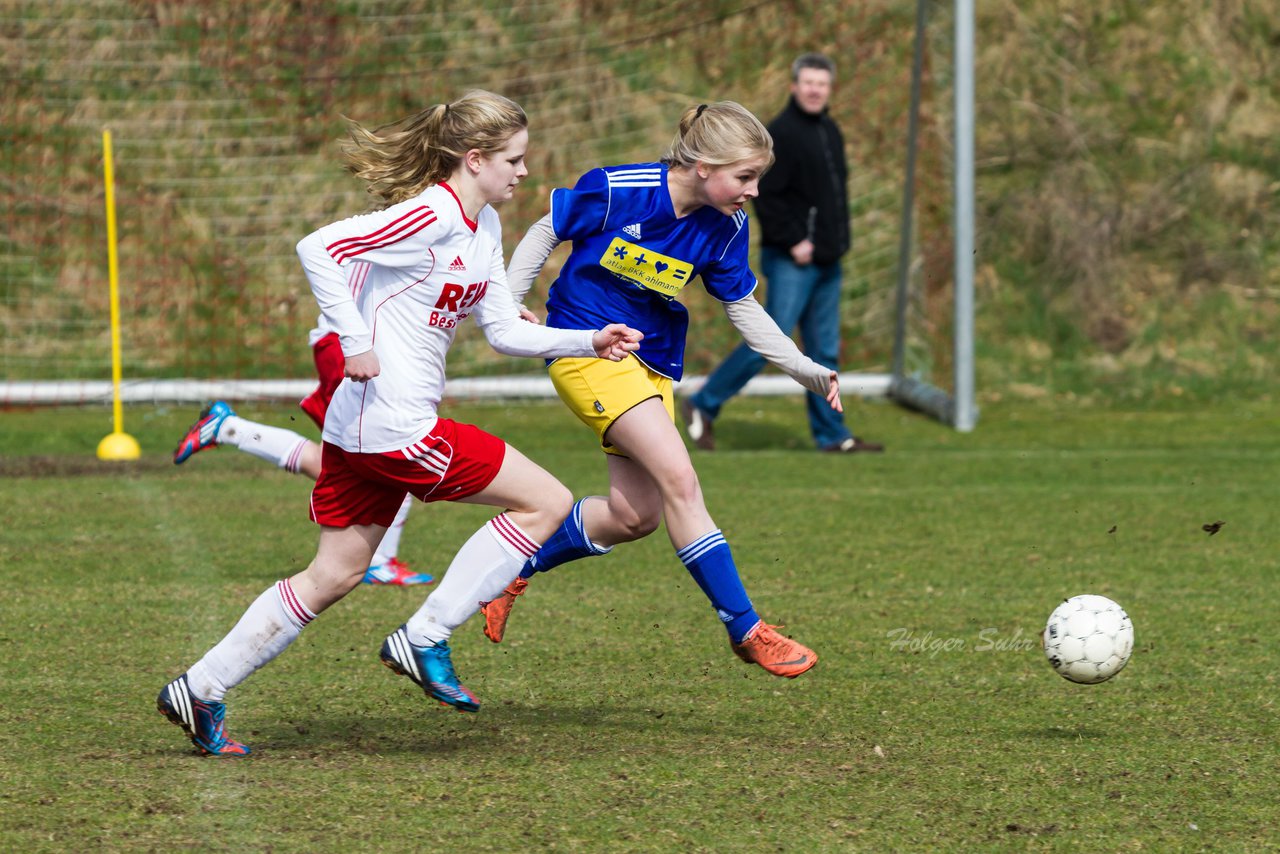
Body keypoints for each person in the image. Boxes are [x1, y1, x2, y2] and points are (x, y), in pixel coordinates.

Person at [156, 90, 642, 756]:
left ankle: (200, 687)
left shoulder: (487, 228)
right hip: (395, 426)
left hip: (367, 430)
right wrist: (354, 339)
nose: (524, 172)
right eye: (514, 160)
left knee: (334, 575)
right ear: (475, 159)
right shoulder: (430, 215)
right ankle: (425, 637)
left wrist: (588, 341)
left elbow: (501, 329)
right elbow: (318, 247)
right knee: (550, 501)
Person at [481, 101, 840, 679]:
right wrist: (505, 306)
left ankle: (505, 569)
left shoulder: (727, 226)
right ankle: (747, 628)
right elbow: (549, 227)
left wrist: (802, 367)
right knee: (681, 479)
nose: (752, 191)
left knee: (633, 516)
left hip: (650, 365)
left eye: (757, 179)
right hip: (587, 350)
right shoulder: (623, 188)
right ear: (702, 165)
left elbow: (741, 305)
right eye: (744, 177)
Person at [682, 54, 883, 454]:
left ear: (830, 88)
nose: (815, 90)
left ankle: (833, 436)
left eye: (822, 84)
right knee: (770, 342)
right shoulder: (781, 134)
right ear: (795, 86)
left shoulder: (831, 130)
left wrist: (834, 243)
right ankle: (703, 403)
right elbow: (765, 197)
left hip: (828, 260)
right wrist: (794, 241)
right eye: (808, 82)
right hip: (793, 260)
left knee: (824, 349)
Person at [172, 320, 429, 585]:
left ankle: (228, 427)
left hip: (349, 343)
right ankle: (379, 563)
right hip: (350, 344)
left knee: (358, 465)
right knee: (388, 459)